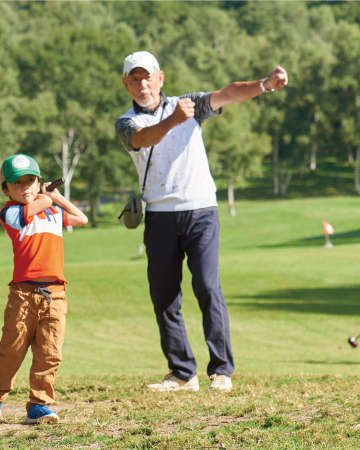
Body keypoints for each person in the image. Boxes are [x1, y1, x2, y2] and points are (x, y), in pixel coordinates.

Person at [115, 51, 288, 392]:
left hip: (201, 211)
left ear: (160, 78)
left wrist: (265, 85)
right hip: (160, 216)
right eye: (134, 79)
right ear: (126, 84)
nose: (142, 84)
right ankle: (182, 373)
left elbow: (229, 93)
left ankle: (221, 370)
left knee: (208, 288)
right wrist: (174, 121)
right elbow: (142, 140)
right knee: (164, 296)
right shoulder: (127, 122)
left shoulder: (188, 104)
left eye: (147, 76)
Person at [0, 154, 88, 424]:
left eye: (31, 181)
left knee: (50, 353)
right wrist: (46, 194)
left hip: (55, 293)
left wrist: (58, 196)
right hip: (23, 295)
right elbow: (38, 204)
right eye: (18, 184)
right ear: (6, 190)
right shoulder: (10, 213)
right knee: (12, 352)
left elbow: (81, 218)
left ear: (39, 181)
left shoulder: (52, 211)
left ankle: (39, 404)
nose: (26, 188)